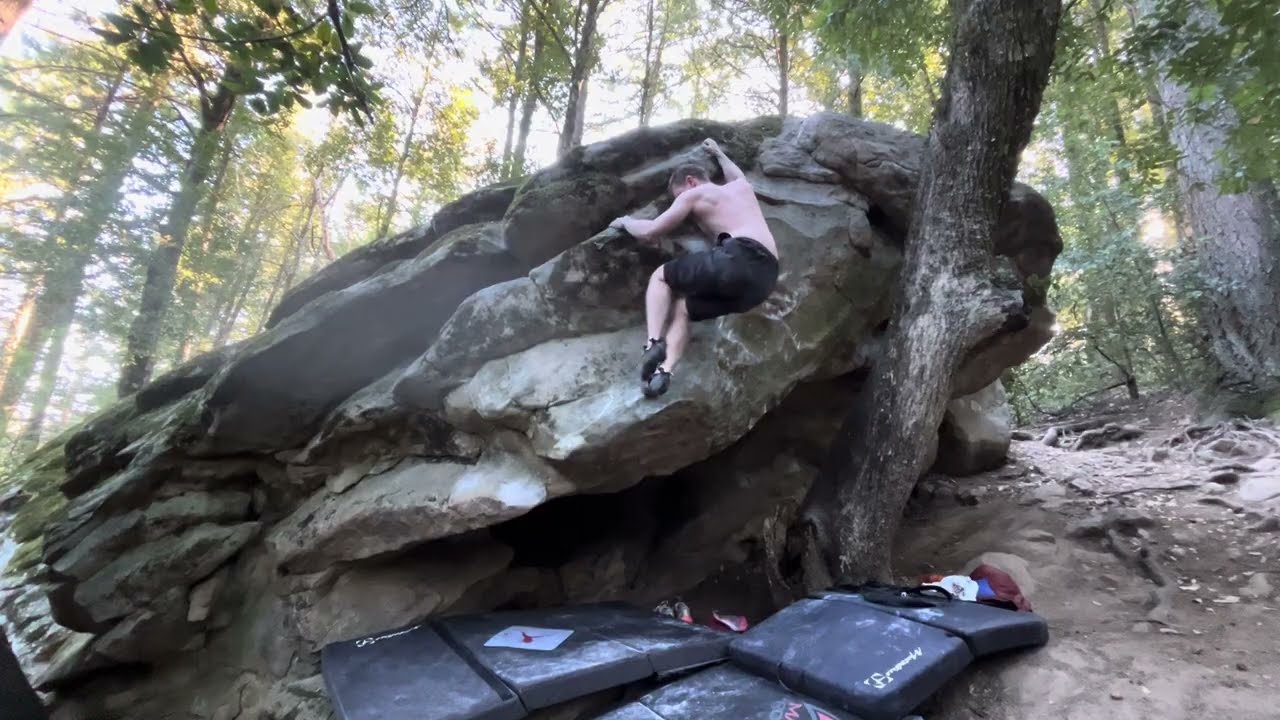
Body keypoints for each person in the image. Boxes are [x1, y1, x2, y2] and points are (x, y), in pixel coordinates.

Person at [609, 138, 779, 398]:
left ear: (689, 182)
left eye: (679, 195)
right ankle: (664, 372)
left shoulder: (696, 193)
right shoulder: (741, 187)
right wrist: (719, 154)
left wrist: (626, 222)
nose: (682, 200)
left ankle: (653, 343)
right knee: (683, 309)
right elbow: (736, 174)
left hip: (737, 257)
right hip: (764, 282)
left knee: (661, 277)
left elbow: (652, 232)